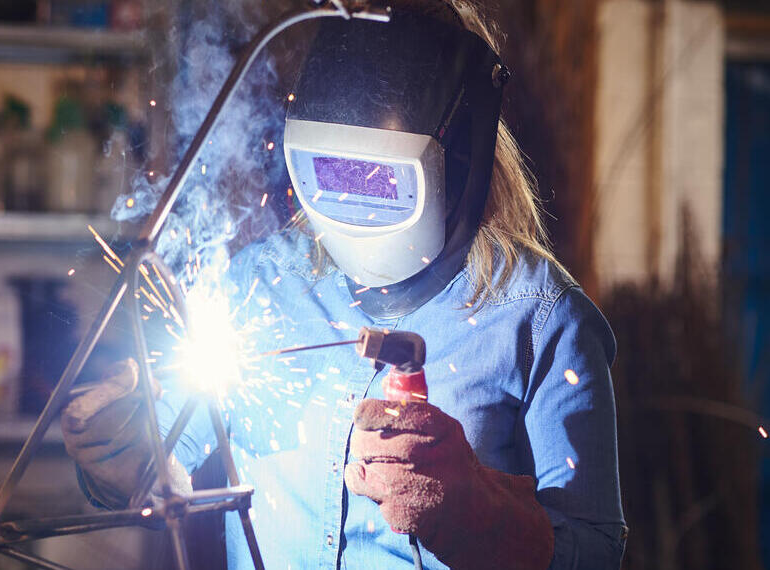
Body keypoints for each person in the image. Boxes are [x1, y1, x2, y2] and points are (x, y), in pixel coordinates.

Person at [61, 1, 627, 568]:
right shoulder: (261, 283)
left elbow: (595, 553)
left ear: (457, 156)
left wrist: (482, 512)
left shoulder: (544, 319)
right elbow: (164, 454)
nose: (356, 204)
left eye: (382, 181)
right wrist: (123, 453)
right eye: (330, 173)